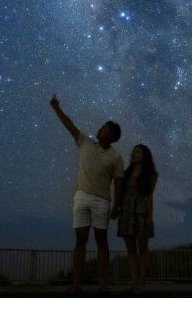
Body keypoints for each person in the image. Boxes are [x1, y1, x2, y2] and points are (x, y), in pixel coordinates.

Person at [49, 93, 124, 294]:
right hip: (81, 197)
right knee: (80, 242)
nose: (100, 129)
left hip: (102, 201)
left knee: (102, 243)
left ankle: (102, 284)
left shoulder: (116, 157)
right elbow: (70, 126)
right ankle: (76, 284)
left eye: (105, 129)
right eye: (101, 127)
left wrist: (117, 206)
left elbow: (119, 183)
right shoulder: (85, 142)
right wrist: (57, 108)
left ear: (112, 136)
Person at [117, 144, 158, 294]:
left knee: (143, 248)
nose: (133, 154)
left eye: (137, 152)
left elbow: (149, 197)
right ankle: (133, 281)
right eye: (133, 151)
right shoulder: (126, 173)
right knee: (131, 250)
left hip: (141, 212)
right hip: (127, 213)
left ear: (144, 155)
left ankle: (141, 281)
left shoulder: (150, 174)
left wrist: (149, 217)